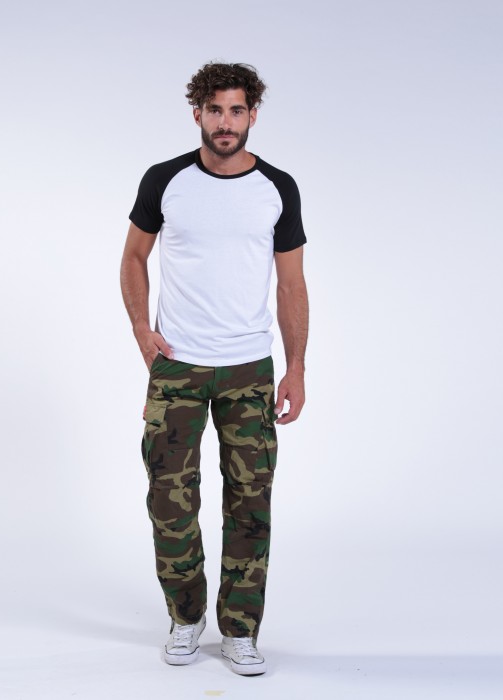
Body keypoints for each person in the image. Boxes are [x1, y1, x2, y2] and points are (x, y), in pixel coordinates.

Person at [120, 62, 308, 676]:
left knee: (250, 502)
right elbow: (134, 257)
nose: (225, 123)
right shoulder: (165, 180)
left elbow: (291, 284)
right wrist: (143, 332)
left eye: (236, 110)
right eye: (215, 110)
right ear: (197, 113)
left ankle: (241, 630)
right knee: (169, 499)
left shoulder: (277, 187)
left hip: (249, 368)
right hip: (177, 366)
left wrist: (296, 367)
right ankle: (185, 617)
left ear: (252, 114)